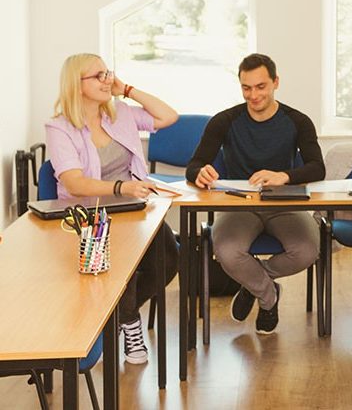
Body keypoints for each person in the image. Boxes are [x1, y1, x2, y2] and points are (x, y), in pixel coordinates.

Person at [45, 53, 180, 365]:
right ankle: (130, 321)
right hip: (90, 217)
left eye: (108, 73)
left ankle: (118, 315)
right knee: (126, 264)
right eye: (99, 76)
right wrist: (121, 188)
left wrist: (127, 90)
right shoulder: (59, 127)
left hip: (134, 206)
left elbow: (168, 117)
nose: (107, 79)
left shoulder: (119, 112)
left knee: (169, 260)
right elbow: (75, 183)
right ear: (76, 85)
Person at [185, 53, 324, 335]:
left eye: (261, 87)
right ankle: (268, 296)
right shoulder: (224, 121)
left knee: (308, 250)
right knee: (225, 251)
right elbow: (194, 166)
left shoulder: (298, 121)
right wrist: (199, 174)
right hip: (240, 205)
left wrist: (284, 176)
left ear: (275, 82)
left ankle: (255, 284)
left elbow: (317, 168)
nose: (253, 95)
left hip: (284, 202)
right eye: (246, 88)